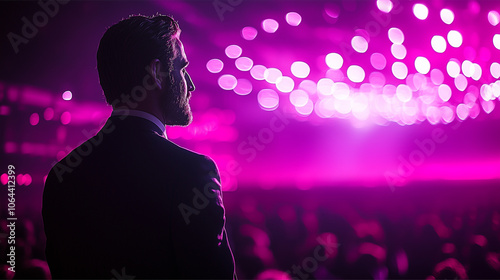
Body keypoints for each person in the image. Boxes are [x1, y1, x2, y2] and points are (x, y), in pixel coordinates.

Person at [42, 14, 236, 279]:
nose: (190, 85)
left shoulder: (61, 177)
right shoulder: (192, 173)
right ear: (156, 73)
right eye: (181, 68)